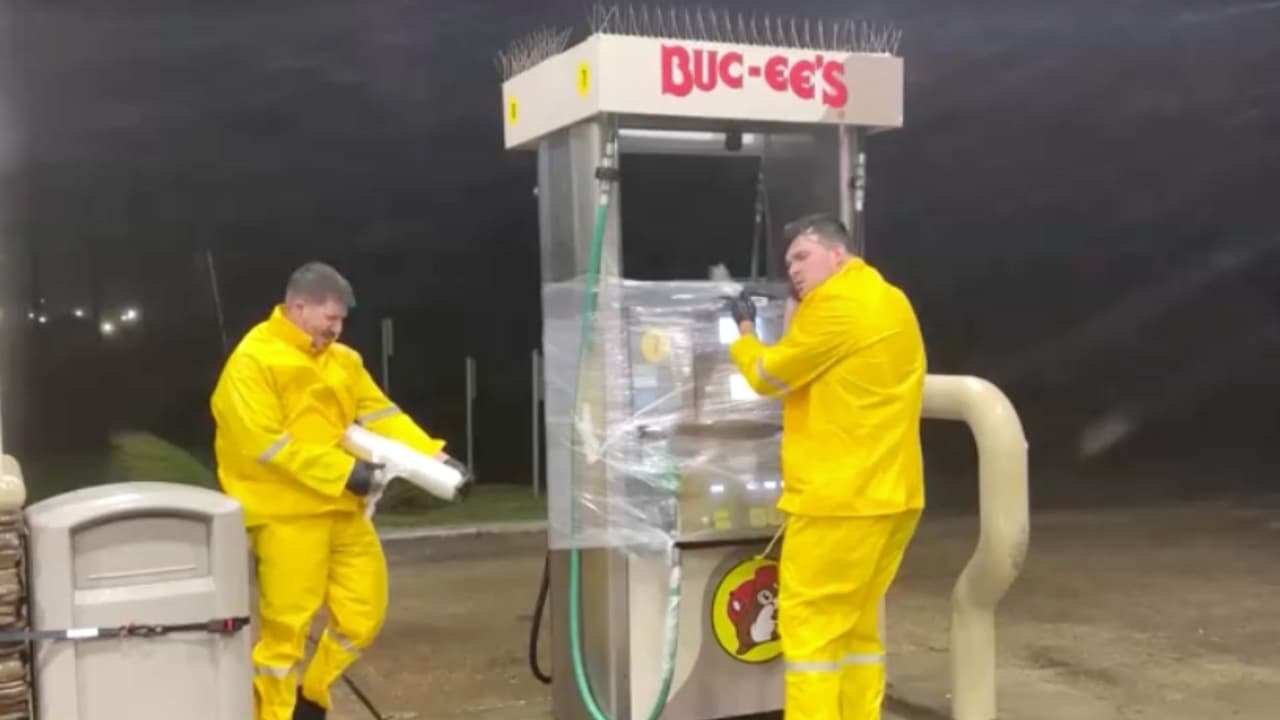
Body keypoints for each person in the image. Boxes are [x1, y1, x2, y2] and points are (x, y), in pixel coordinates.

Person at [210, 261, 470, 720]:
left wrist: (437, 458)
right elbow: (264, 443)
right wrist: (343, 472)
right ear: (298, 306)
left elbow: (382, 416)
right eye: (330, 318)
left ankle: (313, 695)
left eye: (341, 320)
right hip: (286, 516)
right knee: (286, 631)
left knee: (363, 614)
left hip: (344, 511)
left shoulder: (343, 362)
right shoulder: (253, 361)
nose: (337, 328)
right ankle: (275, 712)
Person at [725, 213, 926, 719]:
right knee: (857, 628)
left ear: (838, 254)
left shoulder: (836, 304)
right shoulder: (889, 298)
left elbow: (769, 376)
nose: (793, 268)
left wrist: (744, 332)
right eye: (788, 260)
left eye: (802, 256)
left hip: (839, 500)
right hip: (893, 495)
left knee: (810, 632)